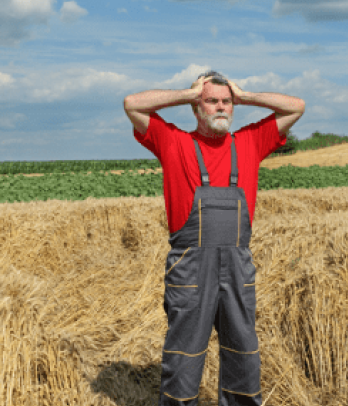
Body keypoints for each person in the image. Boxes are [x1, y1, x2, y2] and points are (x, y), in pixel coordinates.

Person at [123, 70, 305, 406]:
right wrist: (188, 92)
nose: (220, 107)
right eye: (210, 101)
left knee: (243, 348)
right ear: (197, 108)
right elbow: (133, 104)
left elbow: (296, 107)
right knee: (185, 352)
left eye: (226, 102)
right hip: (191, 268)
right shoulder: (173, 141)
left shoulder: (250, 141)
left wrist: (246, 95)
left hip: (237, 266)